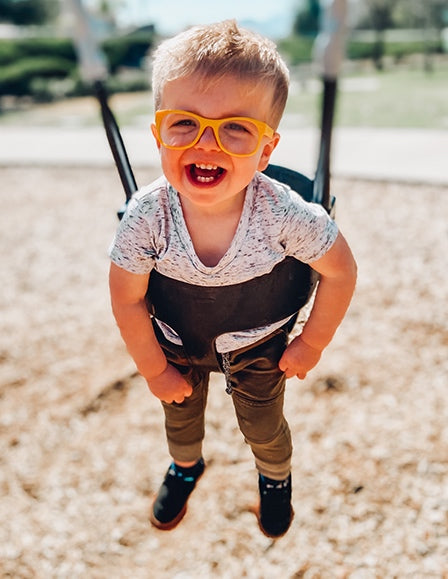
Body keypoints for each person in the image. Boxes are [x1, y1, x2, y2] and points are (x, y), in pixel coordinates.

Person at [108, 20, 357, 539]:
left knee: (264, 428)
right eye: (184, 124)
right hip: (174, 340)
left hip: (257, 342)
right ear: (157, 132)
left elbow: (340, 271)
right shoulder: (145, 215)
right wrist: (154, 370)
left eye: (236, 128)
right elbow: (128, 299)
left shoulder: (287, 214)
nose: (206, 143)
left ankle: (274, 478)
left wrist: (312, 342)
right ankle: (186, 466)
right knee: (179, 422)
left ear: (266, 151)